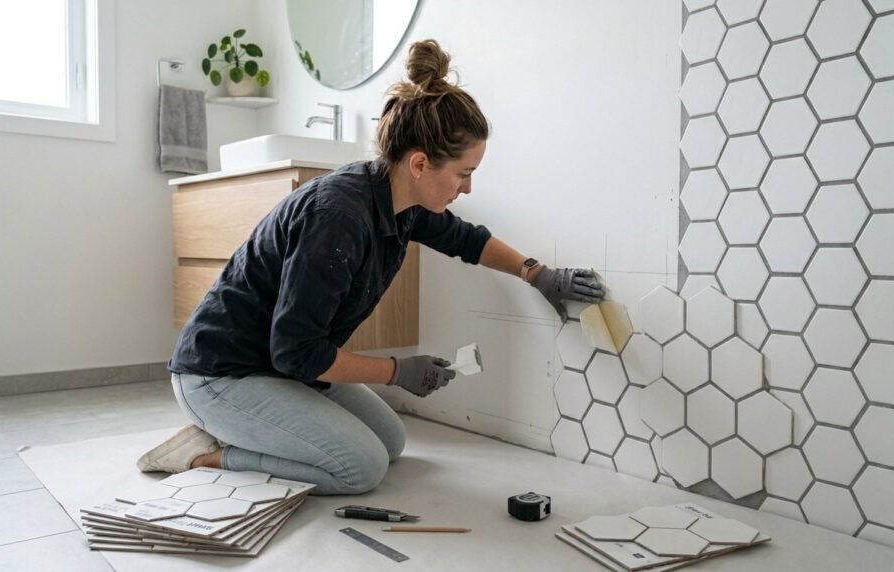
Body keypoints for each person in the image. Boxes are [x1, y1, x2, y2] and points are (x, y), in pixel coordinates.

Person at [137, 39, 605, 495]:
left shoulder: (401, 199)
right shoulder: (339, 218)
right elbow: (297, 352)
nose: (467, 188)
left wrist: (538, 274)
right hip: (220, 375)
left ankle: (254, 429)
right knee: (359, 468)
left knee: (391, 441)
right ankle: (208, 453)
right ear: (420, 163)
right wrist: (398, 370)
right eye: (463, 173)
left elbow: (465, 239)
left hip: (279, 370)